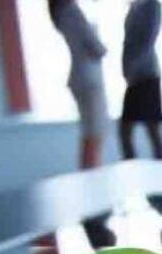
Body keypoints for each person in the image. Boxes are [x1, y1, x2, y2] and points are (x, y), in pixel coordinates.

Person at [49, 0, 108, 169]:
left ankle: (90, 177)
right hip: (89, 78)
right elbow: (96, 47)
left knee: (90, 134)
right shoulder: (71, 10)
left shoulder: (61, 10)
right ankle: (91, 179)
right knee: (94, 135)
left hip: (81, 76)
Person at [120, 0, 162, 160]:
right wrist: (126, 69)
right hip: (133, 76)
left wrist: (133, 66)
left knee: (152, 129)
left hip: (147, 74)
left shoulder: (153, 5)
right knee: (125, 130)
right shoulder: (134, 7)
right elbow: (127, 42)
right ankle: (131, 167)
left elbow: (148, 38)